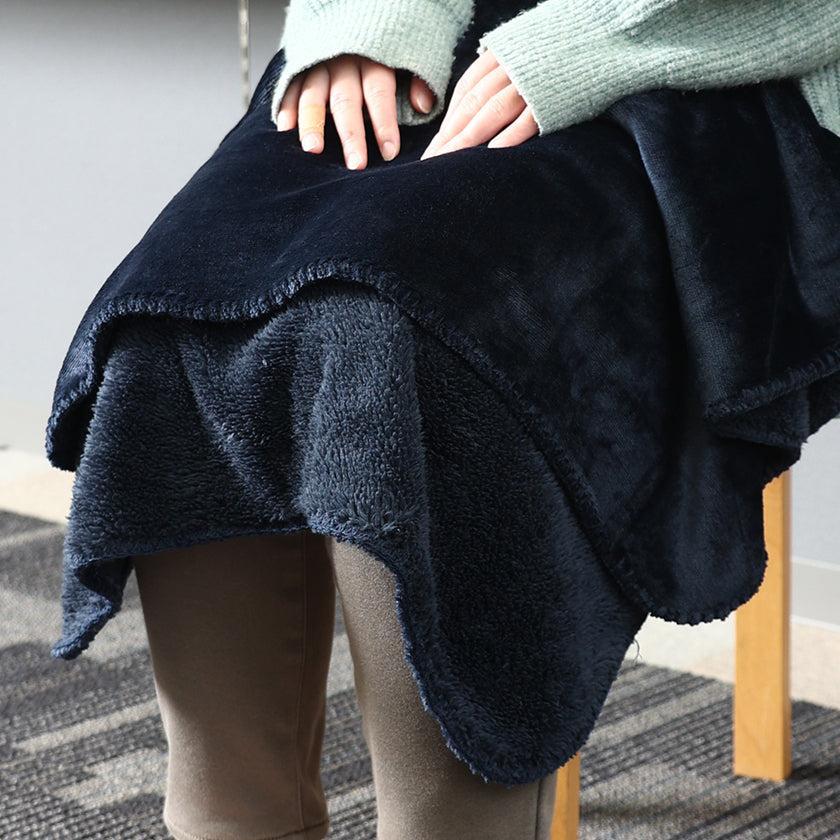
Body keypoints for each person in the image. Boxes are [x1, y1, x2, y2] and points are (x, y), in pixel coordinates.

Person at [52, 2, 840, 839]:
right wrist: (365, 18)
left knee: (407, 344)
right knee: (175, 326)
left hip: (725, 51)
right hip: (434, 23)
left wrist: (595, 36)